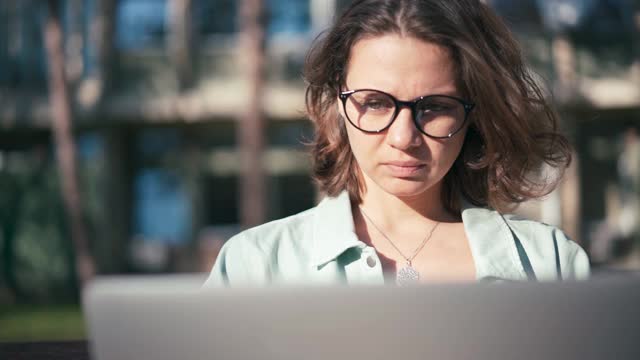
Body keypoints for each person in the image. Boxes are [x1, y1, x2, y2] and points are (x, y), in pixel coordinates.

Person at [203, 0, 589, 287]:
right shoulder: (255, 265)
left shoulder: (548, 263)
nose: (404, 138)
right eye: (374, 103)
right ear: (338, 102)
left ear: (473, 114)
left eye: (435, 107)